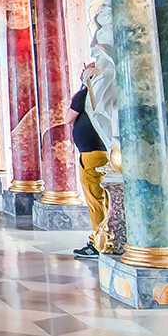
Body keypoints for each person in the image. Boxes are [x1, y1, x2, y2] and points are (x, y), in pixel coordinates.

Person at [69, 68, 109, 258]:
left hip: (91, 154)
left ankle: (99, 242)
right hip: (106, 152)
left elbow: (68, 118)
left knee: (95, 200)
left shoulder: (85, 94)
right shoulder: (105, 94)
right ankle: (108, 237)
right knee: (105, 198)